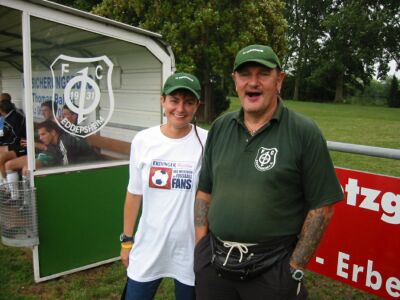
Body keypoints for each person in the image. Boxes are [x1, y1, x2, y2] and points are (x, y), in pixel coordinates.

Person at [194, 45, 344, 300]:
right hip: (215, 265)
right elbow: (205, 191)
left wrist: (294, 268)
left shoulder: (303, 131)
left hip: (273, 270)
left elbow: (323, 207)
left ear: (279, 80)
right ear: (235, 81)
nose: (253, 82)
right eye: (245, 74)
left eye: (263, 73)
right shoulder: (220, 126)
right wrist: (201, 249)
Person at [120, 72, 207, 300]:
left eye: (188, 102)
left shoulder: (207, 141)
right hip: (149, 245)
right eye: (174, 100)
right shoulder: (143, 140)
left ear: (197, 106)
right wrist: (127, 241)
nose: (180, 108)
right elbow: (133, 194)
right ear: (163, 101)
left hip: (190, 249)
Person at [0, 95, 27, 183]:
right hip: (13, 144)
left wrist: (5, 145)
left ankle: (6, 183)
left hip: (21, 146)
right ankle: (4, 182)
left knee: (1, 157)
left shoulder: (15, 118)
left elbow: (16, 138)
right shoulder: (8, 117)